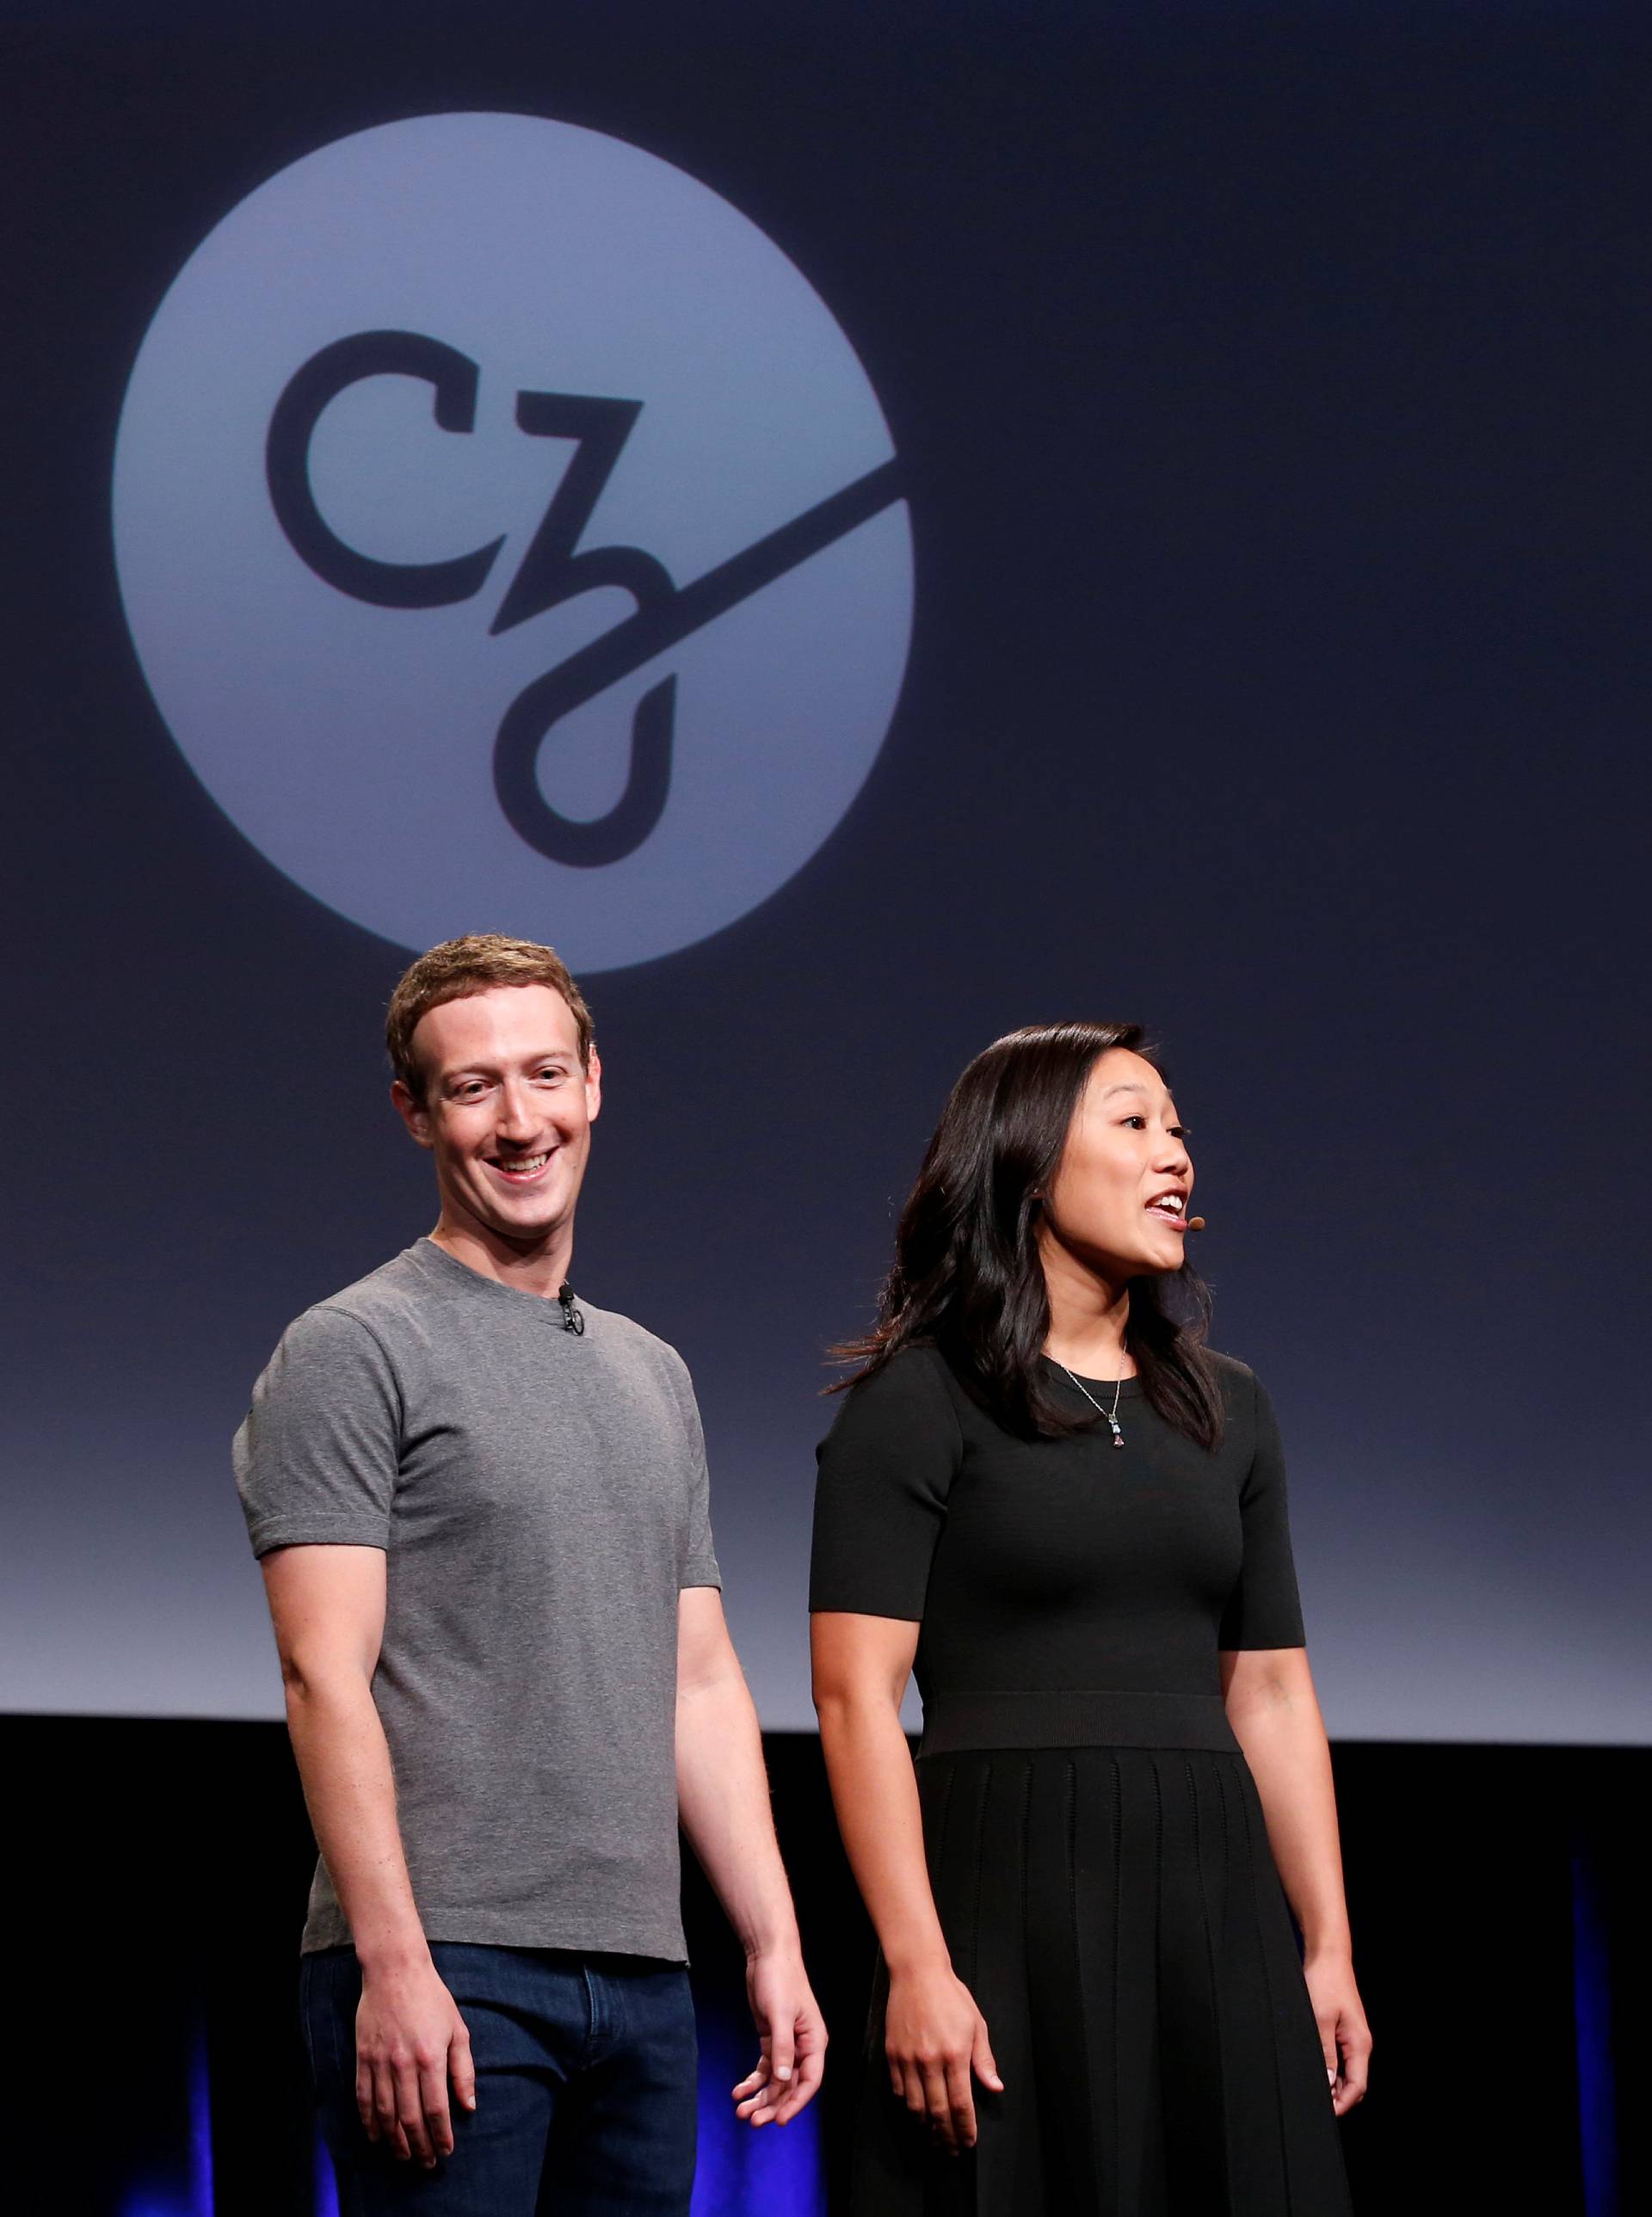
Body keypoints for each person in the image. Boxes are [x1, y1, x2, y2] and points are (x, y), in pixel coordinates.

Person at [234, 933, 824, 2215]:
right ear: (414, 1112)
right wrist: (393, 1965)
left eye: (545, 1074)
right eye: (473, 1085)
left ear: (594, 1082)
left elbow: (703, 1684)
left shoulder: (652, 1371)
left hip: (644, 1980)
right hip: (447, 1967)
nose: (520, 1120)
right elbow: (319, 1675)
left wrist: (773, 1942)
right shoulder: (354, 1346)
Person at [810, 1022, 1369, 2215]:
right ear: (1026, 1159)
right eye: (1134, 1123)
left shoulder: (1233, 1408)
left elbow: (1270, 1689)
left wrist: (1324, 1942)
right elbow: (855, 1696)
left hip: (1210, 1902)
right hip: (1005, 1895)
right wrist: (917, 1959)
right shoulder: (919, 1400)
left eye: (1178, 1128)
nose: (1177, 1157)